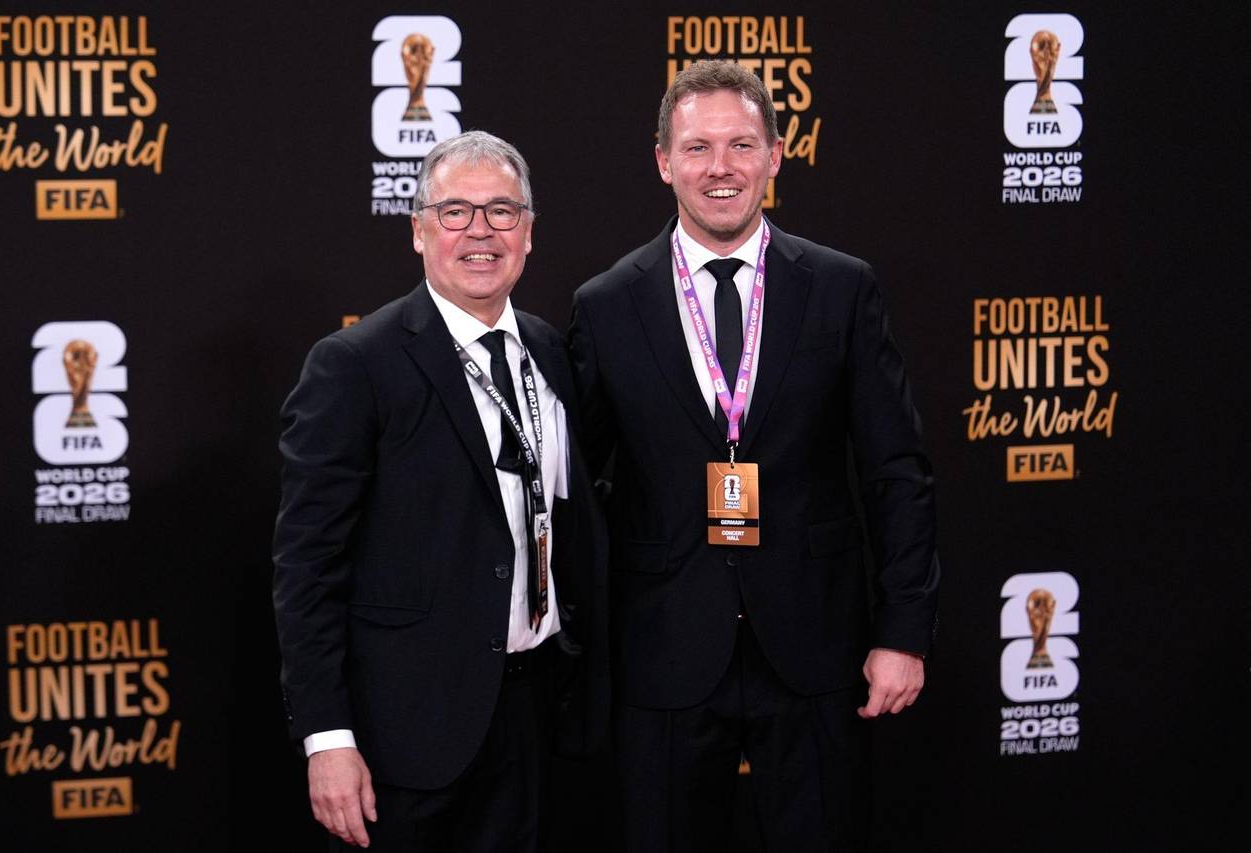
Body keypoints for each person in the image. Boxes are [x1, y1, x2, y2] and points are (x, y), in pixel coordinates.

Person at [567, 61, 940, 851]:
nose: (721, 168)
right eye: (697, 148)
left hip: (816, 649)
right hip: (663, 653)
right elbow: (578, 489)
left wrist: (904, 629)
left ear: (776, 153)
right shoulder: (605, 305)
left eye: (741, 145)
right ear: (664, 161)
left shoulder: (841, 289)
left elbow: (896, 471)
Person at [273, 130, 607, 852]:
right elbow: (308, 569)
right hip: (406, 735)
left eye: (502, 211)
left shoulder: (551, 352)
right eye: (455, 211)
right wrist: (327, 737)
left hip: (537, 714)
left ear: (529, 233)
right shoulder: (354, 364)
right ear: (419, 231)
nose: (480, 232)